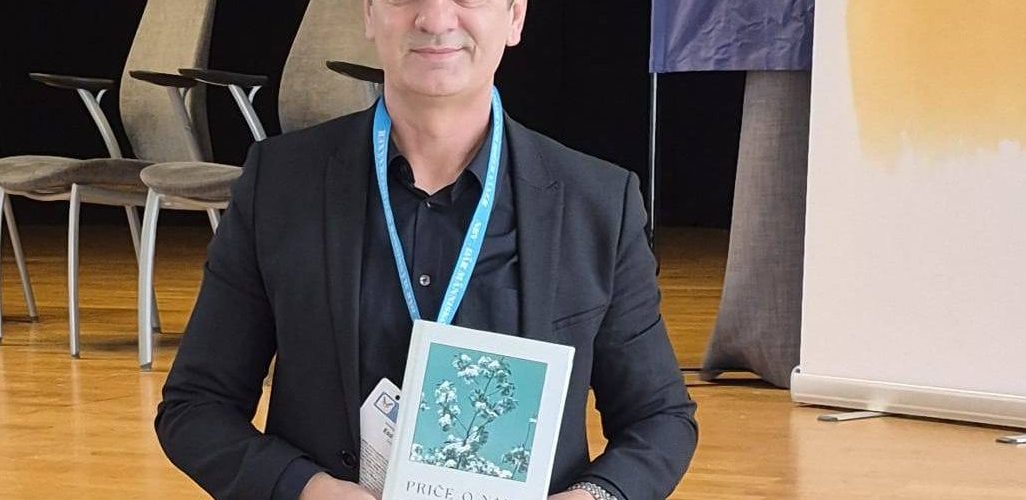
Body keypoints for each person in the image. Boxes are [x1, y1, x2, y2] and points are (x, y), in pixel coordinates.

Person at [154, 1, 698, 498]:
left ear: (515, 16)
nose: (436, 19)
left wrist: (593, 497)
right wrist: (305, 490)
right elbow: (195, 406)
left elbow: (659, 418)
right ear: (369, 14)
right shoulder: (279, 185)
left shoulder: (597, 202)